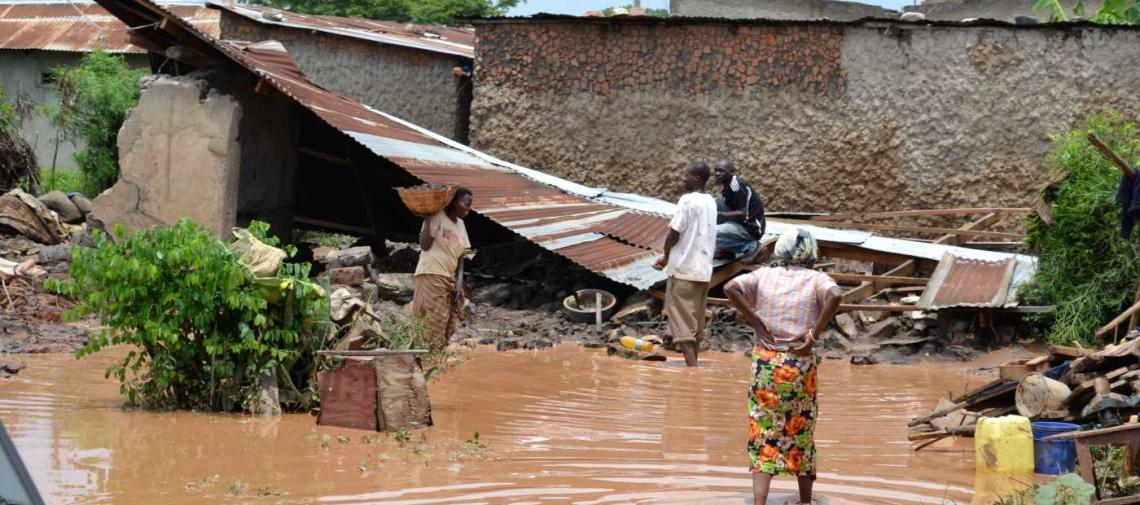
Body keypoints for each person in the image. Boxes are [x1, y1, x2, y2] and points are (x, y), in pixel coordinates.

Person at [723, 228, 841, 505]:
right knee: (801, 430)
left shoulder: (764, 274)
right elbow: (834, 295)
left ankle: (759, 502)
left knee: (762, 429)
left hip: (766, 364)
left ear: (781, 253)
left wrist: (754, 320)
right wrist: (813, 336)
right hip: (799, 364)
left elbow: (731, 288)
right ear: (811, 256)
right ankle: (804, 501)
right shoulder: (817, 279)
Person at [653, 162, 717, 367]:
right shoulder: (710, 202)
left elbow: (674, 232)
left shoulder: (687, 201)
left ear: (697, 178)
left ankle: (693, 371)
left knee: (682, 328)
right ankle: (694, 365)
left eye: (686, 176)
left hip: (684, 270)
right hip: (703, 272)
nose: (683, 179)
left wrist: (665, 255)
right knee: (695, 327)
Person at [412, 187, 473, 350]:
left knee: (448, 321)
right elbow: (424, 246)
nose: (469, 208)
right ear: (454, 202)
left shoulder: (461, 224)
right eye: (466, 204)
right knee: (433, 321)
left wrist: (459, 281)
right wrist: (427, 219)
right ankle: (429, 357)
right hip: (431, 273)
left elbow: (463, 255)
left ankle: (437, 355)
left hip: (449, 277)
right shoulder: (437, 216)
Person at [712, 159, 766, 261]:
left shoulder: (735, 186)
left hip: (751, 227)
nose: (717, 174)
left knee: (710, 232)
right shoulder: (727, 184)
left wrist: (720, 215)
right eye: (716, 170)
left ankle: (751, 247)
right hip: (742, 222)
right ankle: (726, 250)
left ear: (732, 172)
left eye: (721, 171)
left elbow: (743, 213)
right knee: (715, 202)